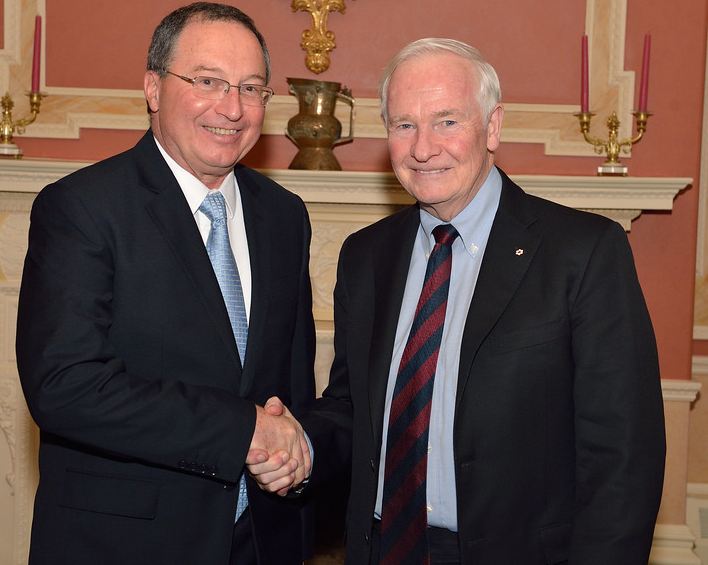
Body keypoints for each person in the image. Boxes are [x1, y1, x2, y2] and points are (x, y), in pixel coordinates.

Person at [249, 38, 666, 564]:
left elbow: (625, 458)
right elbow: (353, 408)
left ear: (492, 126)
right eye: (404, 125)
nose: (423, 148)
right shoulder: (366, 256)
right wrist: (301, 443)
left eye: (446, 121)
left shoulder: (581, 253)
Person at [16, 2, 315, 565]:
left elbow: (290, 386)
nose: (232, 108)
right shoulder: (82, 208)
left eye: (252, 88)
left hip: (263, 542)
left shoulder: (284, 214)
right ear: (153, 88)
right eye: (208, 82)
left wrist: (298, 461)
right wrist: (240, 430)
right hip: (124, 544)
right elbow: (65, 384)